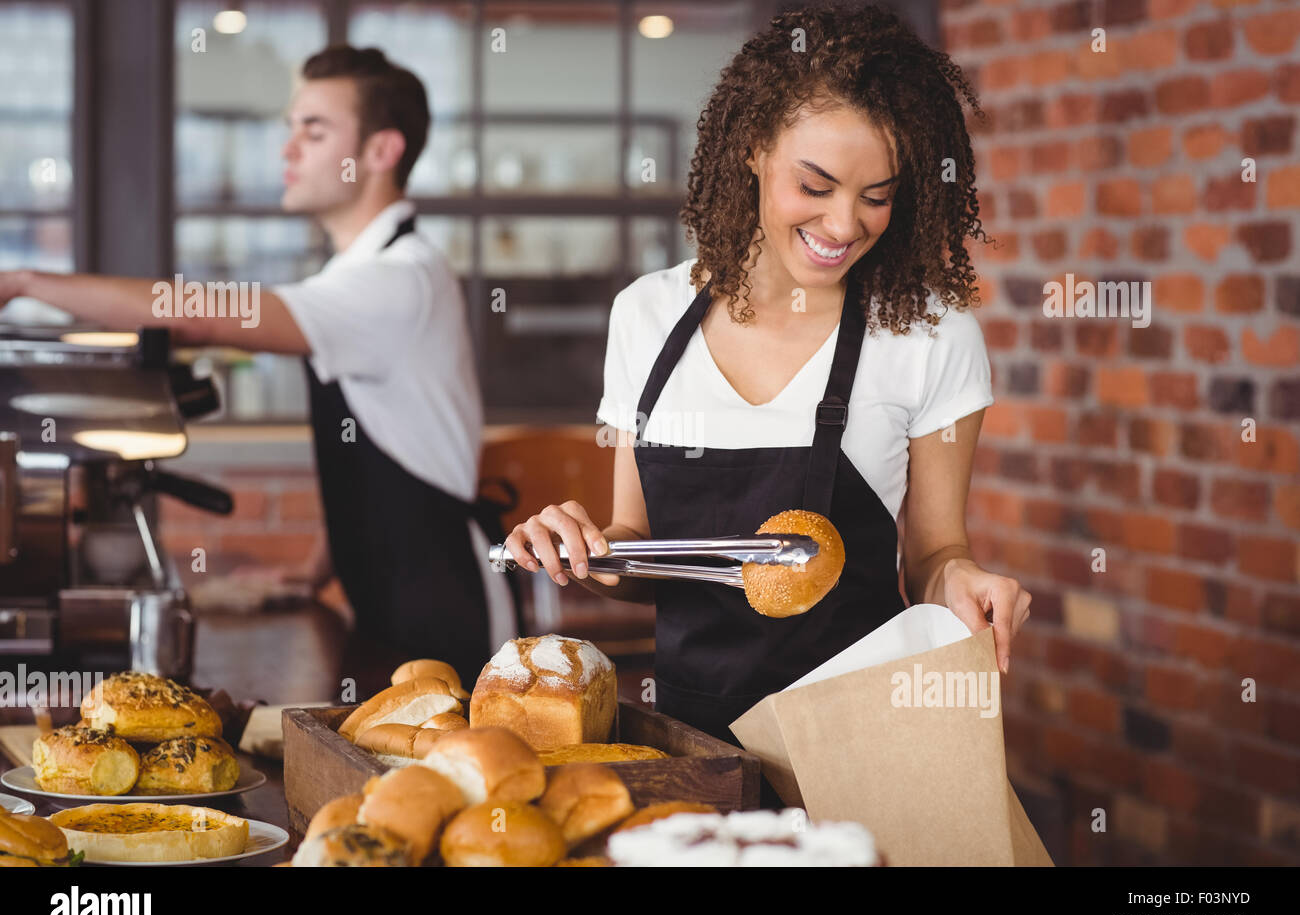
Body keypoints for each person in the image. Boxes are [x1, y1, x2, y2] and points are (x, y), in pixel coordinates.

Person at [501, 5, 1031, 746]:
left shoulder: (931, 335)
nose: (845, 225)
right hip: (687, 746)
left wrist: (964, 583)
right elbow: (637, 547)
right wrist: (582, 554)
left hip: (864, 744)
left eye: (876, 196)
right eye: (815, 187)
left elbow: (935, 555)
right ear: (752, 150)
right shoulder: (647, 317)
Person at [0, 46, 512, 688]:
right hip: (393, 603)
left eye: (314, 130)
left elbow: (199, 314)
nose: (287, 149)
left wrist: (24, 280)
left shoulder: (398, 279)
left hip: (447, 607)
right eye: (291, 127)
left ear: (381, 151)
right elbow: (394, 443)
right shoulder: (358, 275)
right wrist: (315, 568)